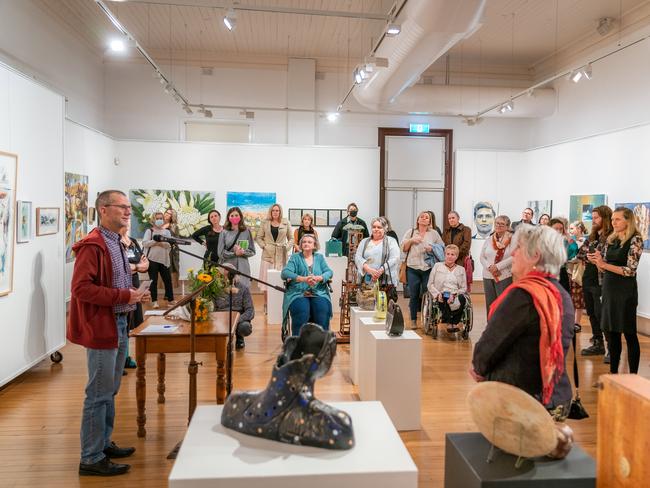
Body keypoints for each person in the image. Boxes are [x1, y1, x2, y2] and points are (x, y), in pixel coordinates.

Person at [68, 190, 150, 476]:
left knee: (110, 390)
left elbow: (118, 279)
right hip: (102, 325)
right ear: (103, 210)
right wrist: (123, 295)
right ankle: (90, 458)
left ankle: (102, 444)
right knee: (98, 393)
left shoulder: (116, 242)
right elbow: (81, 289)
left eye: (129, 207)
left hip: (119, 323)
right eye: (122, 207)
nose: (128, 212)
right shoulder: (93, 245)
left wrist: (133, 295)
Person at [471, 225, 574, 418]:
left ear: (535, 255)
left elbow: (492, 342)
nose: (514, 253)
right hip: (553, 395)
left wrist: (478, 366)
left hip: (518, 399)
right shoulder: (560, 293)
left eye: (518, 248)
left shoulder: (524, 295)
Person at [590, 207, 643, 374]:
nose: (613, 222)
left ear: (628, 220)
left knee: (629, 334)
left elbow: (630, 270)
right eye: (612, 219)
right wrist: (598, 262)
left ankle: (633, 375)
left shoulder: (636, 240)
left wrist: (604, 265)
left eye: (617, 219)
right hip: (609, 290)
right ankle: (613, 374)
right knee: (612, 334)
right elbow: (605, 268)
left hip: (625, 293)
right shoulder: (611, 239)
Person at [578, 206, 612, 358]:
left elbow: (610, 259)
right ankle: (598, 343)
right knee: (591, 313)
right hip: (588, 279)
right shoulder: (592, 237)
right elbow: (581, 254)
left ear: (605, 218)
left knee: (601, 314)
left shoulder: (612, 237)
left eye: (596, 218)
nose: (593, 221)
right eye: (592, 218)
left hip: (601, 282)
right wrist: (590, 257)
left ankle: (612, 348)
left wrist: (598, 258)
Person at [281, 234, 333, 335]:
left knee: (322, 312)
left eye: (309, 242)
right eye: (304, 242)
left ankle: (321, 344)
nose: (306, 244)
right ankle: (298, 343)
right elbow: (285, 273)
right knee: (301, 313)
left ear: (314, 245)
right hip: (298, 292)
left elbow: (329, 272)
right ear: (300, 245)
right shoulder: (295, 257)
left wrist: (319, 278)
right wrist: (303, 279)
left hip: (318, 292)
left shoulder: (319, 258)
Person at [401, 211, 444, 328]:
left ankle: (428, 318)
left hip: (428, 268)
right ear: (418, 220)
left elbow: (442, 247)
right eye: (422, 217)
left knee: (427, 293)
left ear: (430, 221)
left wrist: (432, 248)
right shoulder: (410, 232)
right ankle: (414, 319)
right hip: (412, 267)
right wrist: (411, 240)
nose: (424, 218)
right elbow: (404, 248)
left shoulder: (434, 234)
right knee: (414, 294)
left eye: (427, 217)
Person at [120, 221, 149, 370]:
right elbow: (121, 267)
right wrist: (137, 267)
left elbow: (145, 263)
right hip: (121, 286)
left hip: (135, 283)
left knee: (130, 324)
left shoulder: (132, 242)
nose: (128, 223)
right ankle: (119, 360)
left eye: (129, 221)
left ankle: (126, 357)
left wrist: (137, 267)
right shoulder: (116, 243)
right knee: (121, 324)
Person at [213, 264, 255, 350]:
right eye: (224, 273)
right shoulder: (215, 288)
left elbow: (250, 310)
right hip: (221, 318)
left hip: (238, 318)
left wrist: (236, 320)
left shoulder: (243, 288)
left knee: (245, 327)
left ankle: (239, 337)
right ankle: (219, 340)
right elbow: (212, 308)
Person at [356, 217, 401, 294]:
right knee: (367, 302)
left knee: (383, 303)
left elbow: (395, 258)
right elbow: (358, 257)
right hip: (367, 278)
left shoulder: (391, 241)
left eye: (379, 227)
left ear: (385, 229)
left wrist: (380, 271)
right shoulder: (364, 241)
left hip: (386, 280)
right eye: (374, 227)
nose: (376, 229)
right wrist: (368, 269)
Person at [480, 215, 514, 314]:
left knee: (503, 304)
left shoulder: (512, 239)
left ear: (507, 227)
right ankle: (490, 327)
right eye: (497, 223)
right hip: (488, 275)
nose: (498, 225)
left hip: (504, 276)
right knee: (490, 304)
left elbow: (514, 256)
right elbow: (482, 257)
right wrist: (490, 267)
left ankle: (503, 328)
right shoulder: (489, 239)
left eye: (502, 224)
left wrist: (497, 267)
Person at [427, 244, 467, 329]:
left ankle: (454, 322)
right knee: (445, 296)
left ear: (456, 256)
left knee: (462, 299)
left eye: (452, 254)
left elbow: (464, 288)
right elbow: (430, 284)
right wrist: (437, 294)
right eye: (448, 254)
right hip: (441, 293)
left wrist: (454, 295)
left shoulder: (461, 269)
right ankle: (449, 323)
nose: (450, 256)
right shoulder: (437, 266)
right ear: (444, 255)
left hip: (456, 293)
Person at [256, 203, 293, 291]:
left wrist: (286, 248)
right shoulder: (265, 222)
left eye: (277, 210)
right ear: (270, 212)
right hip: (268, 256)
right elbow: (258, 237)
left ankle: (279, 303)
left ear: (280, 212)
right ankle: (265, 304)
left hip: (281, 256)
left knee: (280, 281)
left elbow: (291, 238)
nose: (275, 212)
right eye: (273, 210)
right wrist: (264, 246)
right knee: (266, 283)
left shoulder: (286, 222)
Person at [217, 207, 256, 288]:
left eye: (236, 215)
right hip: (228, 266)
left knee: (243, 290)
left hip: (243, 266)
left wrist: (243, 252)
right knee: (228, 290)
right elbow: (220, 252)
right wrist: (234, 253)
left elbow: (252, 251)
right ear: (228, 217)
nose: (234, 217)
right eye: (232, 215)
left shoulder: (246, 231)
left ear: (240, 217)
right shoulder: (224, 232)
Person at [142, 212, 174, 309]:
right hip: (152, 259)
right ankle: (154, 301)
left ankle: (170, 300)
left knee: (168, 280)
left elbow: (169, 245)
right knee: (153, 281)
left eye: (161, 218)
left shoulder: (167, 232)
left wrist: (160, 243)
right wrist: (156, 241)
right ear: (153, 220)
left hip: (164, 260)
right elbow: (145, 243)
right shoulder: (149, 231)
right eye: (157, 218)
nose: (159, 220)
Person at [567, 221, 587, 331]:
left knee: (578, 298)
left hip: (578, 273)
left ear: (579, 229)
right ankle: (570, 322)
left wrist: (569, 260)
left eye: (572, 228)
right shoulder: (572, 241)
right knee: (571, 297)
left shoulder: (584, 241)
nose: (570, 231)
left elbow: (580, 257)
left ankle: (577, 323)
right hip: (569, 272)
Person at [549, 217, 576, 293]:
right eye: (556, 228)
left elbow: (574, 251)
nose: (559, 231)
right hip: (549, 272)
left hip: (562, 272)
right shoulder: (545, 240)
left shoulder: (565, 241)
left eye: (561, 229)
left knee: (563, 298)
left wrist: (568, 237)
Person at [162, 208, 180, 287]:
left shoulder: (174, 227)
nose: (167, 214)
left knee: (171, 268)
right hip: (159, 251)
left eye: (169, 214)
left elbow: (177, 239)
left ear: (172, 216)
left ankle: (170, 291)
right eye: (166, 212)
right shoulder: (158, 224)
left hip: (171, 252)